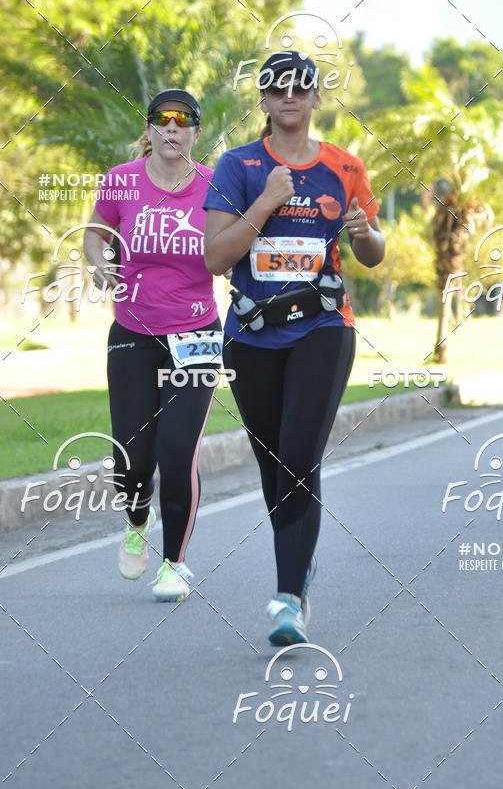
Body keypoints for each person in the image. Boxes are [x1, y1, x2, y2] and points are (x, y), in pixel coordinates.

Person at [204, 51, 385, 646]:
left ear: (314, 99)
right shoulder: (239, 166)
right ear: (263, 101)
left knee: (300, 456)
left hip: (324, 328)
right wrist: (266, 202)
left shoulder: (345, 167)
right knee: (273, 462)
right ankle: (300, 561)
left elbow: (372, 251)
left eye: (300, 89)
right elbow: (215, 257)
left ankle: (287, 598)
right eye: (277, 90)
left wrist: (367, 236)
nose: (289, 98)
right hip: (252, 333)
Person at [84, 89, 221, 600]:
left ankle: (175, 564)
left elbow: (231, 244)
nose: (171, 128)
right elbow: (96, 233)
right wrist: (101, 264)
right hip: (133, 334)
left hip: (197, 332)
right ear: (150, 130)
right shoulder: (122, 180)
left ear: (195, 133)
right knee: (134, 457)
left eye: (182, 121)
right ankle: (136, 521)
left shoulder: (213, 186)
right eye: (162, 120)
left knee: (176, 448)